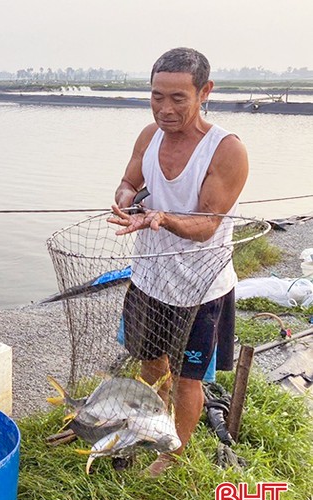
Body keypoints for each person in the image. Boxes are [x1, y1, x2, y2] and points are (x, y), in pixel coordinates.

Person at [109, 47, 248, 476]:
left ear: (204, 92)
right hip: (150, 278)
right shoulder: (148, 136)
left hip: (199, 287)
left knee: (190, 378)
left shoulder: (225, 150)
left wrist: (163, 218)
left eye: (177, 98)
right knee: (152, 363)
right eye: (156, 97)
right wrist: (127, 200)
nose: (165, 109)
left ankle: (173, 453)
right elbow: (128, 182)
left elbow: (207, 224)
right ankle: (151, 425)